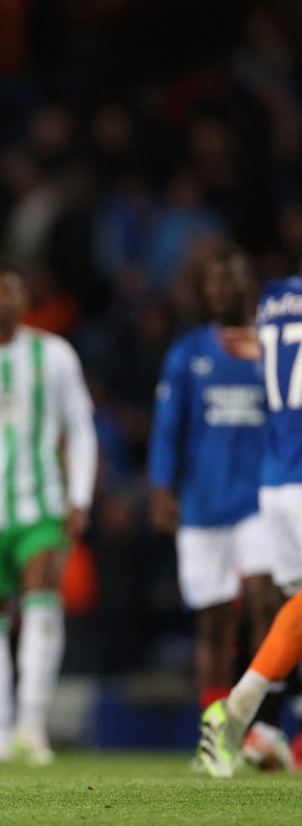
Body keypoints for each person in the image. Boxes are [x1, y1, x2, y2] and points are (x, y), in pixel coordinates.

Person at [0, 260, 97, 765]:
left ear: (25, 300)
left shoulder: (52, 355)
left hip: (41, 509)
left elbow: (80, 427)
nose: (3, 301)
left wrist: (79, 497)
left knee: (41, 605)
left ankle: (31, 725)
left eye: (12, 292)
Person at [148, 246, 282, 756]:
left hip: (260, 501)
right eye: (213, 284)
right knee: (213, 621)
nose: (221, 292)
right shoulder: (188, 354)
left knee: (268, 602)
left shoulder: (274, 351)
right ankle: (215, 733)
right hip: (202, 506)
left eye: (230, 282)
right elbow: (167, 429)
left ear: (252, 287)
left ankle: (263, 725)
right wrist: (162, 488)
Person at [197, 267, 302, 777]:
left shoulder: (276, 300)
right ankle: (247, 714)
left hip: (276, 481)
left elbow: (255, 351)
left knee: (295, 610)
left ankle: (245, 717)